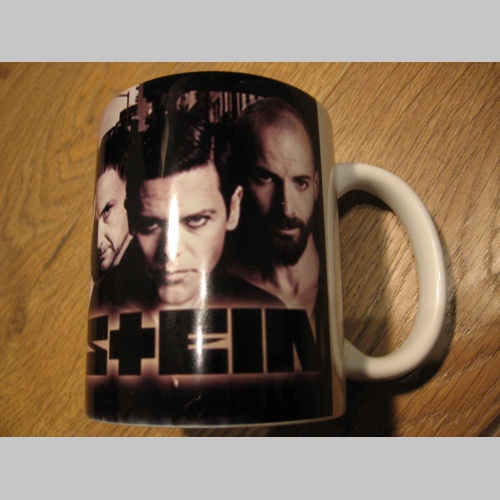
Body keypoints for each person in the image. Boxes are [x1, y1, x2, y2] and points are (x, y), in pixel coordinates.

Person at [123, 114, 282, 311]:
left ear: (233, 209)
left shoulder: (266, 308)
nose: (169, 251)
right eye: (150, 224)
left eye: (196, 220)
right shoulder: (101, 303)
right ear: (131, 220)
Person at [229, 97, 320, 319]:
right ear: (239, 183)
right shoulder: (224, 289)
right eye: (266, 178)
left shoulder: (340, 271)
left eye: (301, 183)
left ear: (316, 188)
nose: (287, 209)